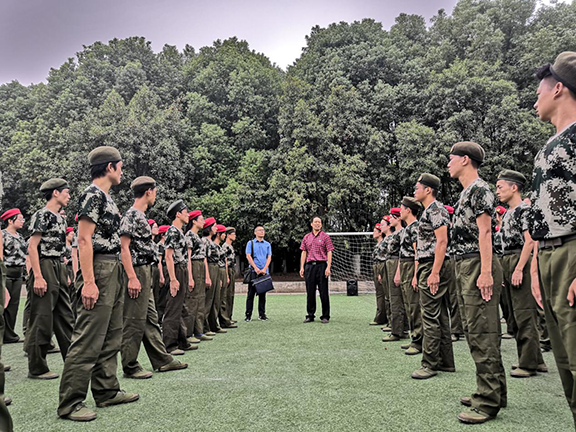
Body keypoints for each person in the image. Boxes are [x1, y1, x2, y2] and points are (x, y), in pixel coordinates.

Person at [58, 146, 139, 422]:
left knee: (112, 334)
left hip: (112, 266)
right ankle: (70, 403)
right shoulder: (92, 195)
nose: (122, 171)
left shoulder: (106, 197)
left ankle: (106, 391)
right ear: (109, 167)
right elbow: (83, 239)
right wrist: (89, 282)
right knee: (88, 336)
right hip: (99, 268)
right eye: (120, 166)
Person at [530, 52, 576, 425]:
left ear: (558, 88)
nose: (535, 101)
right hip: (548, 254)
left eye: (539, 93)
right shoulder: (549, 146)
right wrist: (535, 264)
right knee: (565, 365)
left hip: (571, 253)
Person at [448, 141, 506, 424]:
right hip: (466, 264)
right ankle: (495, 392)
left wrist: (485, 272)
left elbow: (485, 233)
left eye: (452, 158)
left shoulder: (480, 189)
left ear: (465, 160)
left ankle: (487, 401)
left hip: (476, 263)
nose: (448, 163)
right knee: (478, 331)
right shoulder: (467, 192)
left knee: (482, 332)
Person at [119, 177, 189, 380]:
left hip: (145, 271)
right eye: (155, 192)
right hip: (137, 271)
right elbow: (124, 247)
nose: (155, 196)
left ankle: (162, 359)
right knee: (134, 320)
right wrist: (132, 277)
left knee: (150, 320)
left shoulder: (140, 216)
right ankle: (130, 365)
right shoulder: (132, 215)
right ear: (148, 192)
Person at [495, 170, 547, 378]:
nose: (498, 191)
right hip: (508, 259)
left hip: (520, 259)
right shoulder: (509, 212)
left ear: (514, 187)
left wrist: (518, 268)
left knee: (524, 313)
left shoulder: (524, 210)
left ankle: (528, 364)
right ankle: (536, 360)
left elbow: (530, 241)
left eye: (500, 187)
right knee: (515, 315)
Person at [26, 179, 74, 380]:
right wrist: (37, 276)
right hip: (44, 265)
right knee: (42, 318)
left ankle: (73, 362)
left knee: (66, 316)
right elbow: (32, 246)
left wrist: (64, 273)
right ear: (55, 193)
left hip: (58, 266)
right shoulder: (42, 215)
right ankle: (37, 368)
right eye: (66, 192)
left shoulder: (61, 219)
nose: (69, 196)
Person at [411, 173, 455, 379]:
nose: (414, 191)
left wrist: (435, 272)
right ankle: (446, 361)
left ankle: (429, 364)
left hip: (432, 264)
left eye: (417, 188)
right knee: (441, 315)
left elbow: (442, 241)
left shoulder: (435, 209)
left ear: (428, 190)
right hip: (431, 264)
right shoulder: (430, 210)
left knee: (429, 315)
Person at [163, 199, 195, 355]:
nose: (188, 215)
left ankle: (182, 341)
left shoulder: (179, 232)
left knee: (180, 306)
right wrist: (173, 279)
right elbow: (168, 256)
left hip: (181, 269)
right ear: (178, 214)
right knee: (173, 307)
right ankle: (169, 345)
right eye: (185, 212)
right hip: (175, 269)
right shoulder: (172, 232)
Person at [395, 197, 422, 355]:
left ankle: (419, 342)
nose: (400, 211)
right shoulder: (407, 228)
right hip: (405, 265)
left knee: (414, 306)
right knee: (408, 305)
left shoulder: (415, 227)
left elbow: (417, 252)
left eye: (401, 208)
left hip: (412, 265)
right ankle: (414, 337)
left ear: (408, 210)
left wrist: (416, 275)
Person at [300, 217, 334, 324]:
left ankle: (325, 316)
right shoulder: (306, 237)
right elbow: (304, 252)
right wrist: (302, 267)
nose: (317, 224)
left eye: (319, 222)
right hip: (309, 266)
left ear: (321, 224)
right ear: (311, 224)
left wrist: (328, 267)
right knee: (310, 292)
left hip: (321, 266)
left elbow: (329, 252)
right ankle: (310, 315)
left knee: (323, 292)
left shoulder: (325, 237)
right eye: (315, 222)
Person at [382, 208, 409, 342]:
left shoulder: (402, 232)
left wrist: (398, 272)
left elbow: (401, 253)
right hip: (390, 262)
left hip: (396, 263)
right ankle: (401, 329)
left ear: (398, 218)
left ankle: (398, 331)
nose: (390, 220)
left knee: (396, 298)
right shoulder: (395, 233)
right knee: (393, 297)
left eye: (392, 217)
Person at [185, 211, 212, 342]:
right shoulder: (189, 235)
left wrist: (206, 275)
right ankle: (188, 333)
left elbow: (203, 257)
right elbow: (188, 257)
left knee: (200, 299)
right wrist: (190, 277)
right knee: (192, 300)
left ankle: (199, 330)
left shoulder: (198, 237)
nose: (203, 222)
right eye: (201, 219)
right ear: (194, 221)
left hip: (200, 265)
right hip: (194, 265)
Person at [1, 209, 27, 344]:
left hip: (18, 273)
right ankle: (2, 334)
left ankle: (9, 335)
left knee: (14, 305)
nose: (22, 222)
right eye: (20, 219)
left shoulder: (20, 237)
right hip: (6, 272)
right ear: (10, 221)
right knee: (4, 304)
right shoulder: (2, 235)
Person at [495, 206, 515, 340]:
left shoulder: (504, 230)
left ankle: (512, 328)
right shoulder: (498, 230)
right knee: (504, 300)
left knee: (511, 300)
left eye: (499, 215)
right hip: (500, 261)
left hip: (506, 259)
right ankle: (510, 326)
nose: (497, 218)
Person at [445, 205, 464, 342]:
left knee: (454, 295)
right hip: (446, 260)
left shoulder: (453, 230)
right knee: (448, 295)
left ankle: (456, 329)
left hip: (453, 259)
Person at [203, 218, 225, 334]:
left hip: (215, 268)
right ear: (209, 228)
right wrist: (207, 276)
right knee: (208, 299)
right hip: (210, 268)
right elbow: (205, 259)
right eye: (214, 226)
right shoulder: (204, 241)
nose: (216, 228)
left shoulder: (211, 242)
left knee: (215, 298)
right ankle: (205, 327)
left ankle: (213, 325)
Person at [245, 225, 272, 322]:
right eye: (260, 230)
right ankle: (248, 315)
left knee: (262, 294)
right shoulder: (251, 243)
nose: (262, 232)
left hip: (264, 272)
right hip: (253, 272)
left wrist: (265, 268)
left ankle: (262, 314)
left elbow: (269, 257)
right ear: (255, 232)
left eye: (263, 230)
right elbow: (248, 256)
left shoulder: (267, 244)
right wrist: (255, 268)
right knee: (250, 294)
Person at [369, 223, 388, 327]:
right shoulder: (378, 244)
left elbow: (384, 259)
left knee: (382, 294)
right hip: (376, 267)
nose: (373, 233)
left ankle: (381, 317)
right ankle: (381, 316)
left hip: (381, 267)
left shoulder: (384, 244)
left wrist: (380, 273)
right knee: (379, 293)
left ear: (380, 233)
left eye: (375, 230)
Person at [378, 216, 394, 331]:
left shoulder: (392, 238)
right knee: (387, 296)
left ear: (389, 226)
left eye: (383, 224)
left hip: (391, 265)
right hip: (384, 266)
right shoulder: (386, 239)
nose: (380, 227)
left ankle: (394, 324)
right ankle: (390, 322)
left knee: (392, 296)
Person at [221, 227, 238, 327]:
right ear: (228, 235)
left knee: (231, 294)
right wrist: (227, 275)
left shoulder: (230, 246)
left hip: (232, 270)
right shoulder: (225, 247)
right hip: (228, 270)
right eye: (233, 234)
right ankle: (225, 318)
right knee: (227, 295)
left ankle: (229, 316)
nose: (235, 236)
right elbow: (225, 261)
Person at [154, 225, 169, 322]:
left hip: (167, 269)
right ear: (163, 235)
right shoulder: (160, 245)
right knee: (161, 297)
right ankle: (159, 318)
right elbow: (159, 261)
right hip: (163, 269)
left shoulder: (167, 245)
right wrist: (161, 276)